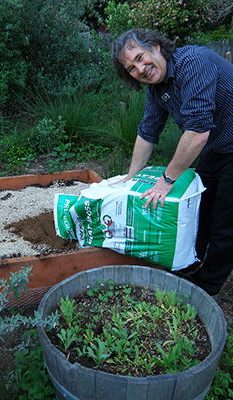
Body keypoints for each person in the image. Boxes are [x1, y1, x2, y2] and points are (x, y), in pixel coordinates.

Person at [111, 28, 233, 296]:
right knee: (200, 211)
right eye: (131, 68)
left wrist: (166, 181)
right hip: (217, 149)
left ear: (156, 47)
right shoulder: (157, 88)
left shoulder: (193, 63)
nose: (140, 69)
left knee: (225, 223)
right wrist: (130, 177)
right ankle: (190, 266)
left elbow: (198, 132)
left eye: (141, 57)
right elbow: (147, 131)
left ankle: (206, 288)